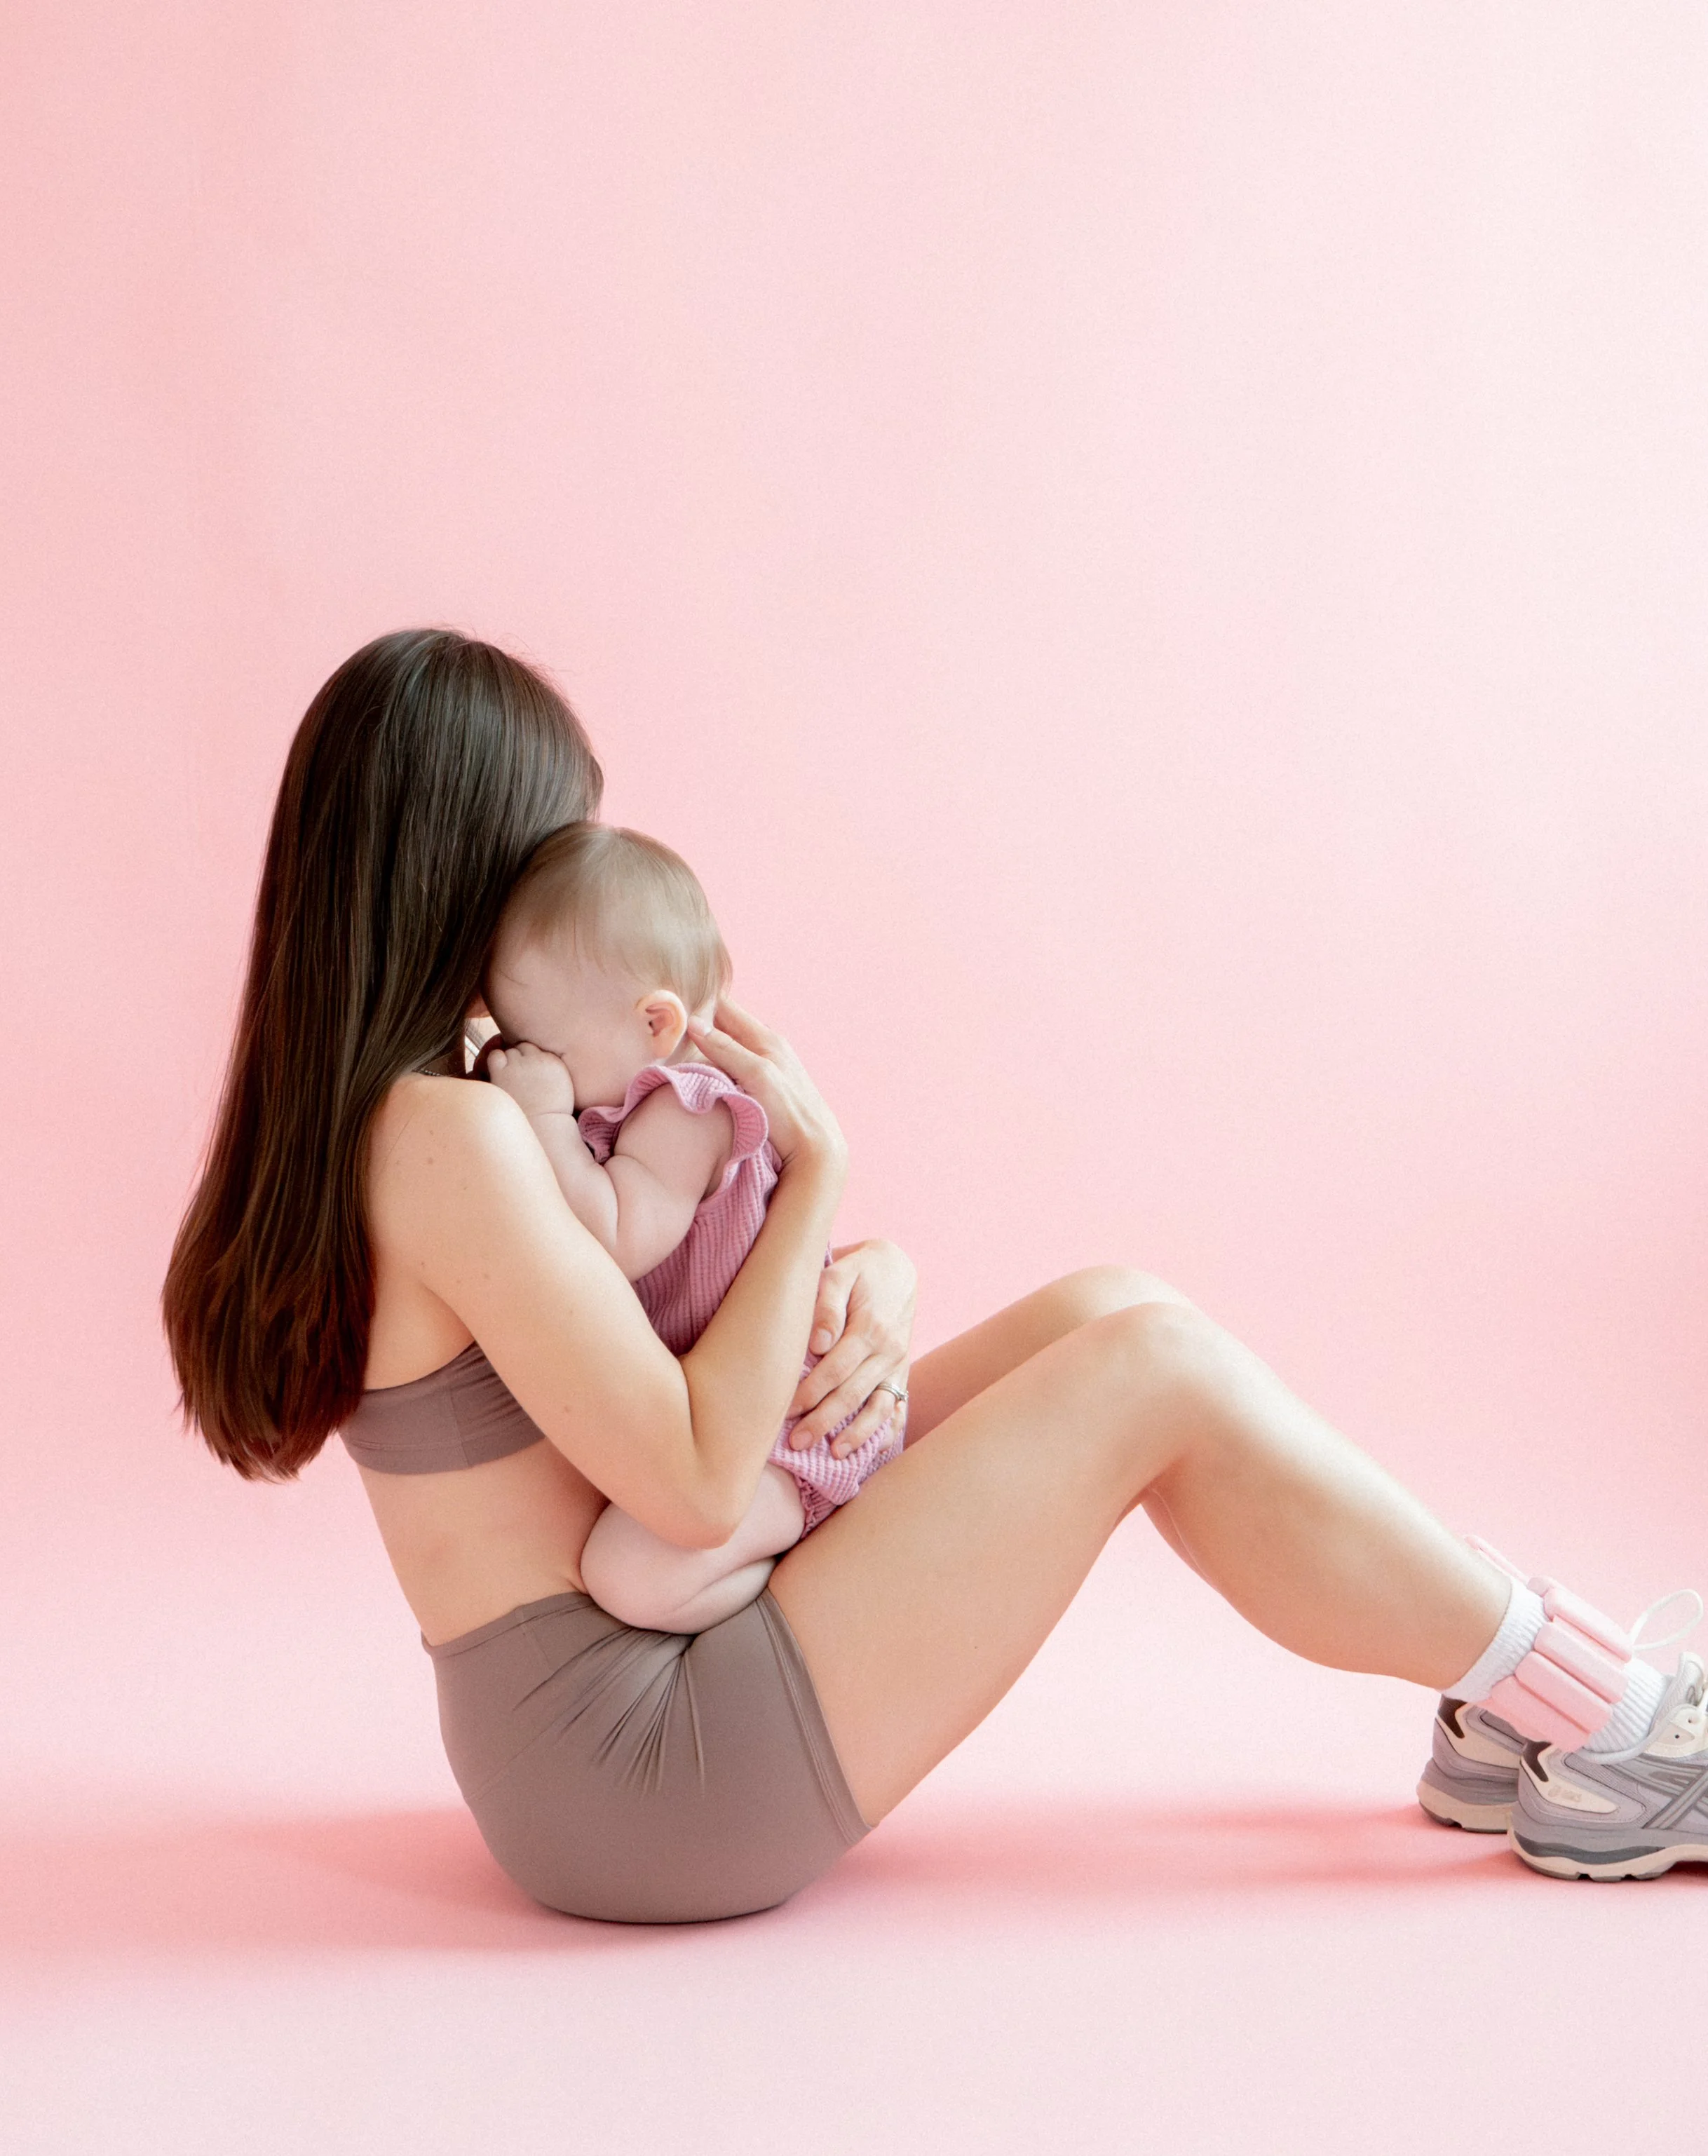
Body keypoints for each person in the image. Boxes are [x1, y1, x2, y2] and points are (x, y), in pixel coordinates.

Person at [163, 628, 1708, 1923]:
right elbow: (695, 1481)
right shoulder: (448, 1134)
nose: (581, 890)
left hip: (646, 1669)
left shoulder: (456, 1106)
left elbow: (668, 1329)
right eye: (554, 853)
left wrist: (872, 1276)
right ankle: (1617, 1725)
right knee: (1152, 1374)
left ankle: (1521, 1706)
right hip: (635, 1765)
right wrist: (817, 1172)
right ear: (464, 869)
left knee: (1110, 1308)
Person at [477, 818, 900, 1632]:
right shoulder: (628, 1097)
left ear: (655, 1025)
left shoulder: (687, 1110)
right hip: (740, 1421)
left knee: (630, 1577)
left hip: (789, 1431)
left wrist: (543, 1118)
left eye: (541, 1047)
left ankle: (824, 1567)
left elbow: (615, 1241)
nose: (521, 1061)